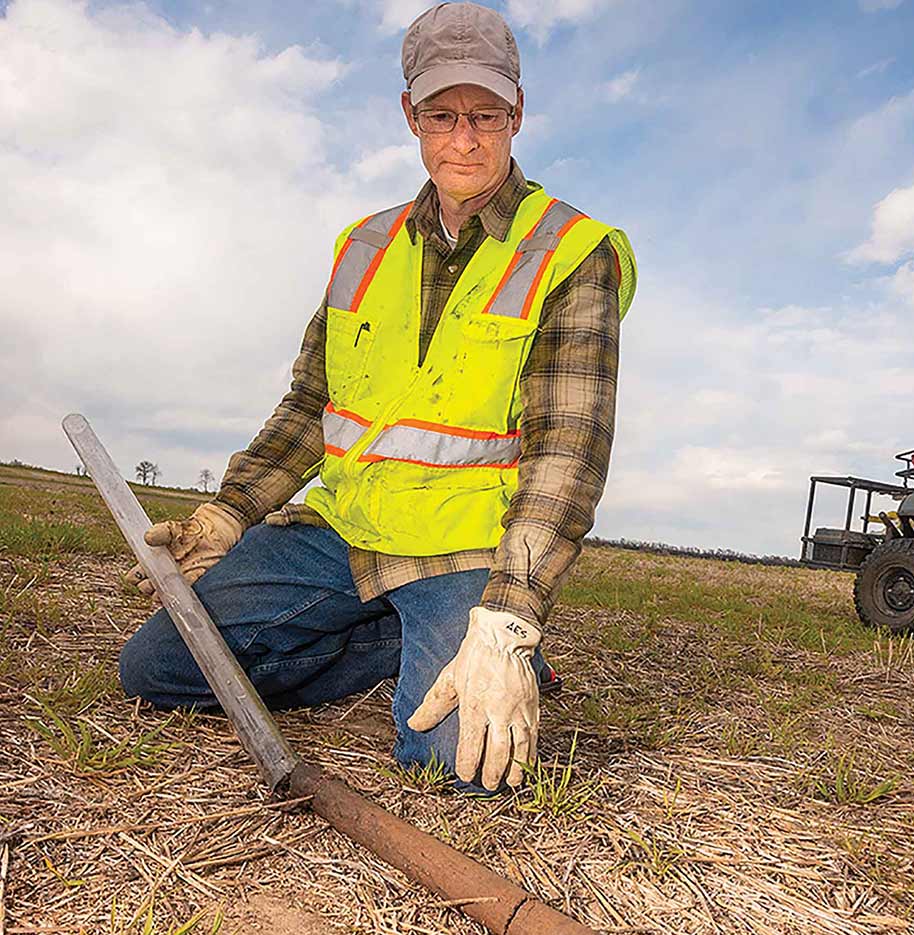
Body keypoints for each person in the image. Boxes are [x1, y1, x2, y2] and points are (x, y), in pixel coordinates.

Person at [119, 1, 636, 793]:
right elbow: (308, 406)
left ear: (518, 114)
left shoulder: (572, 252)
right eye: (442, 115)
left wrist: (506, 620)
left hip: (465, 546)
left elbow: (568, 455)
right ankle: (394, 638)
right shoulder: (364, 245)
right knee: (158, 668)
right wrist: (229, 512)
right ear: (410, 116)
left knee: (467, 767)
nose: (464, 138)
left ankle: (465, 636)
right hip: (344, 532)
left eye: (486, 115)